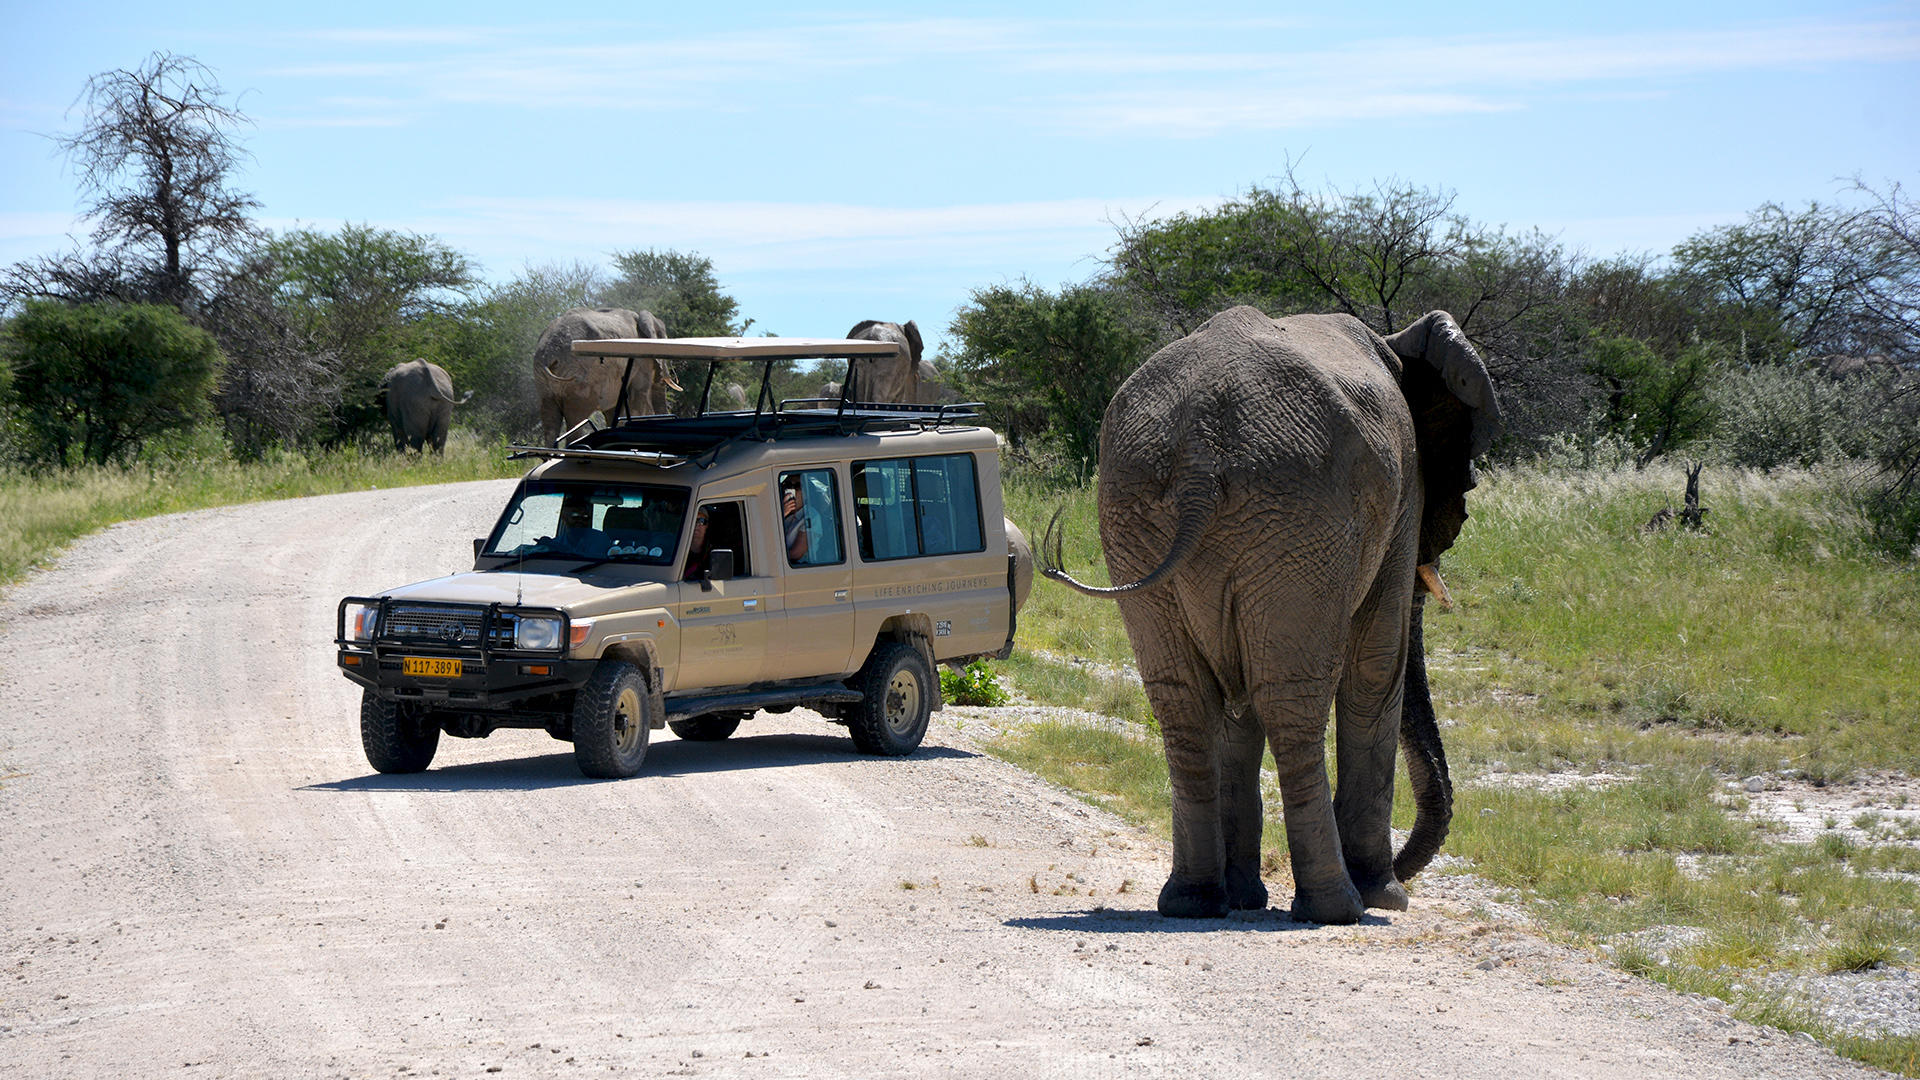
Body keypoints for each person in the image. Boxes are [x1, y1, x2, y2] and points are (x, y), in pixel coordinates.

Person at [781, 479, 810, 564]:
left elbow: (796, 554)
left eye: (796, 487)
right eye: (788, 487)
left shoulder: (811, 516)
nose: (791, 493)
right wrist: (782, 514)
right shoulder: (787, 514)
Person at [682, 506, 712, 581]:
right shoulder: (678, 549)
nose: (697, 524)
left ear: (707, 526)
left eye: (702, 521)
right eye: (694, 520)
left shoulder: (712, 552)